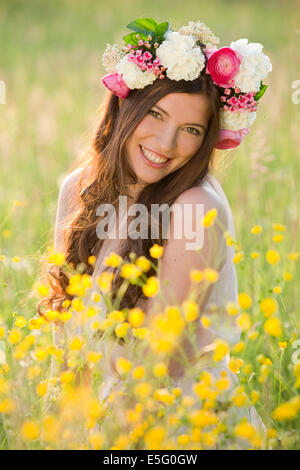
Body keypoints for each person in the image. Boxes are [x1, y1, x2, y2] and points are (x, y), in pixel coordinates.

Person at [38, 17, 272, 447]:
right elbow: (68, 337)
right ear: (123, 107)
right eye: (155, 113)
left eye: (191, 130)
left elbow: (154, 360)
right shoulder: (78, 188)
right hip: (104, 418)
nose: (165, 143)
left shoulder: (196, 207)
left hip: (183, 423)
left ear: (206, 141)